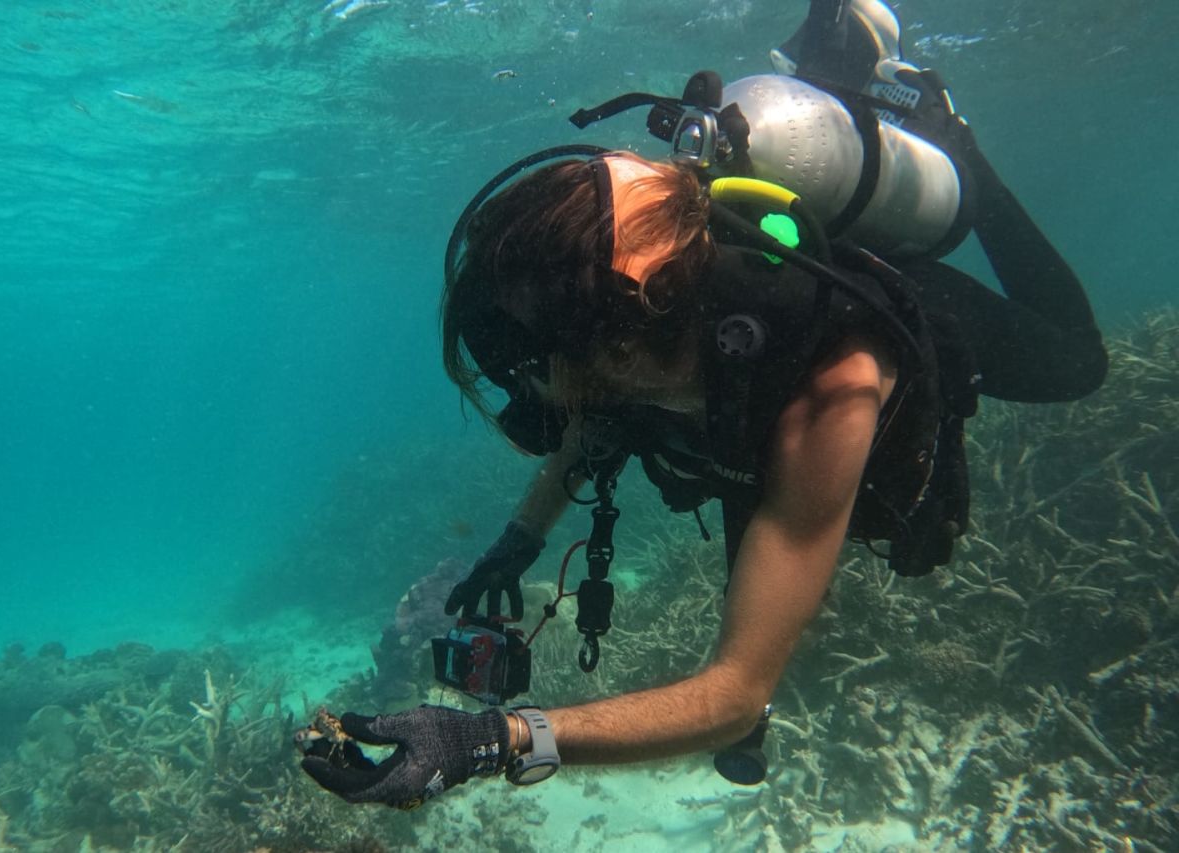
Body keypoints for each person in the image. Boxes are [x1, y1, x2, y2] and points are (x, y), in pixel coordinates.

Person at [300, 0, 1107, 808]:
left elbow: (733, 696)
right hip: (716, 375)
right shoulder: (632, 334)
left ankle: (960, 148)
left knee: (1076, 364)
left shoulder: (838, 384)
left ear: (615, 350)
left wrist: (491, 742)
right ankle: (836, 56)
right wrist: (515, 544)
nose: (530, 390)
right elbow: (590, 428)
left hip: (900, 316)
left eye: (534, 365)